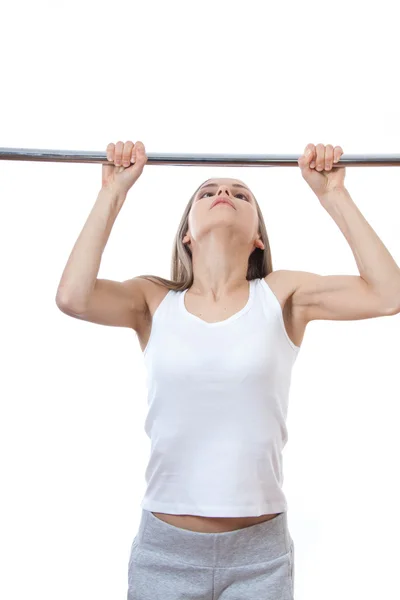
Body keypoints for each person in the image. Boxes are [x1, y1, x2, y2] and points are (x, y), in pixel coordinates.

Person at [56, 140, 298, 599]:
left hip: (259, 556)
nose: (223, 192)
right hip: (166, 552)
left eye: (240, 193)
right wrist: (113, 192)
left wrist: (332, 194)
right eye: (207, 192)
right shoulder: (153, 300)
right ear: (187, 232)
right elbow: (74, 297)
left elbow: (388, 293)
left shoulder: (281, 296)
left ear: (257, 238)